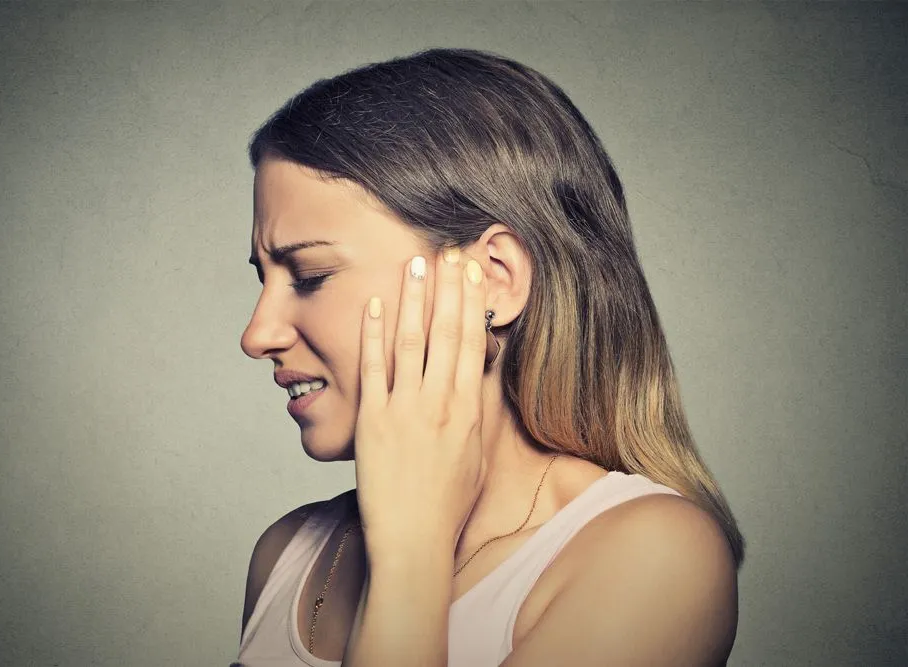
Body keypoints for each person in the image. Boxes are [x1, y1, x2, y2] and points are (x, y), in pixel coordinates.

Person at [231, 48, 744, 667]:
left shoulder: (651, 556)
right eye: (264, 278)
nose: (257, 334)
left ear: (493, 278)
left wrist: (413, 552)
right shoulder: (288, 552)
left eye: (310, 274)